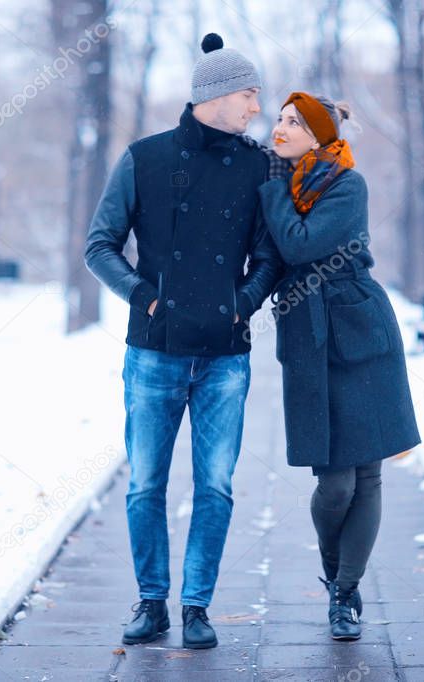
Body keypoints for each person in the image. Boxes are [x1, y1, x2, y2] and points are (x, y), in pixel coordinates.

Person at [84, 33, 283, 649]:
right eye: (249, 94)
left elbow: (270, 257)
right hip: (152, 351)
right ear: (218, 95)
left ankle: (196, 605)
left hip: (225, 358)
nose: (256, 107)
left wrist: (239, 306)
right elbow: (99, 246)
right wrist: (148, 299)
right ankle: (152, 602)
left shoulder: (258, 167)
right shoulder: (144, 158)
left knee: (216, 486)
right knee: (146, 482)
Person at [258, 92, 421, 641]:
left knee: (366, 474)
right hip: (306, 334)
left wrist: (275, 187)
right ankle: (336, 580)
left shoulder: (346, 184)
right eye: (278, 118)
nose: (279, 127)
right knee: (333, 484)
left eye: (293, 122)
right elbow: (268, 254)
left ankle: (345, 595)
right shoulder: (277, 183)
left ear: (319, 135)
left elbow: (301, 244)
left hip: (359, 330)